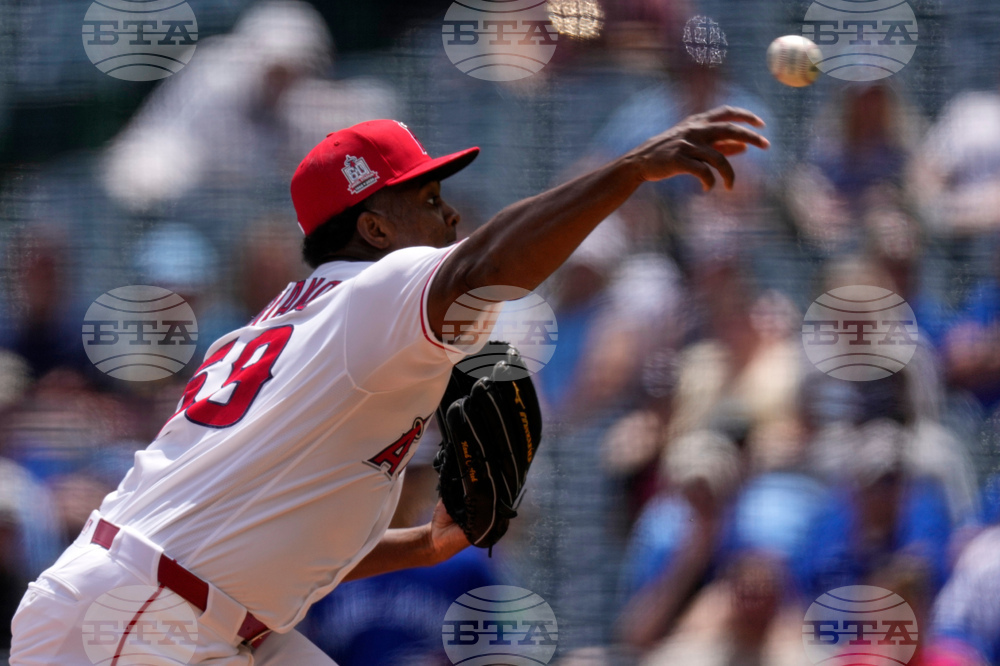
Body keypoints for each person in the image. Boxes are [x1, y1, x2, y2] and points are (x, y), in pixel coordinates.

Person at [9, 109, 768, 664]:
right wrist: (629, 171)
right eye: (428, 200)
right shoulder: (374, 292)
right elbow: (486, 265)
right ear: (374, 230)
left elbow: (272, 533)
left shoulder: (288, 328)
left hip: (184, 607)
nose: (450, 212)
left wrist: (426, 545)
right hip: (143, 619)